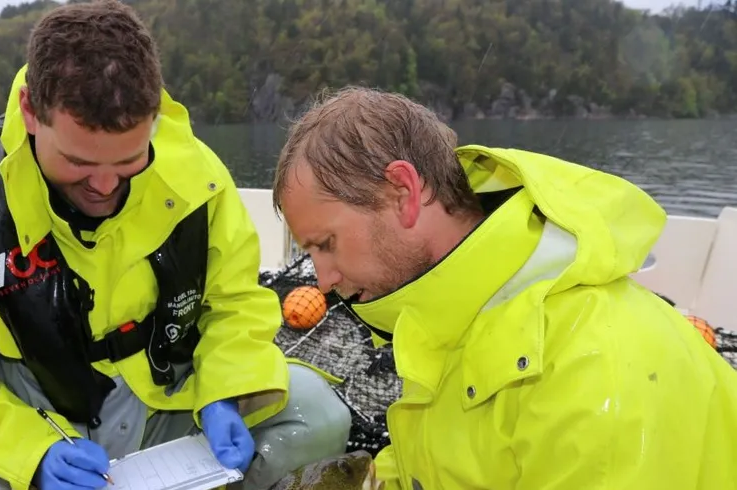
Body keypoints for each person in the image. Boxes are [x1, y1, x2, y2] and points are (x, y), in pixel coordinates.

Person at [0, 2, 351, 490]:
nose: (105, 187)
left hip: (170, 397)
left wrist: (225, 392)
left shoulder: (197, 179)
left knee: (317, 417)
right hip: (49, 425)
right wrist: (30, 453)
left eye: (130, 160)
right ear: (30, 112)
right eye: (77, 162)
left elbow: (234, 303)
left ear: (153, 118)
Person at [272, 86, 737, 489]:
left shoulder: (594, 375)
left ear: (403, 192)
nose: (325, 280)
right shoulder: (444, 307)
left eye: (326, 244)